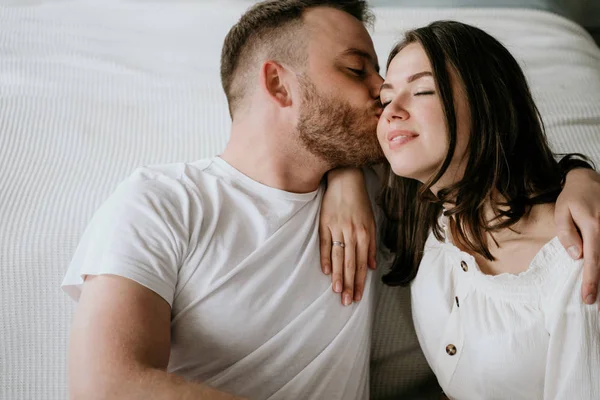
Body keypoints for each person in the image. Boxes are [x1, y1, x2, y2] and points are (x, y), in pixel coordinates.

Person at [60, 0, 600, 399]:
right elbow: (106, 385)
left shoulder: (396, 187)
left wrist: (580, 177)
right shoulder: (162, 201)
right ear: (279, 85)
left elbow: (488, 165)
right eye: (356, 70)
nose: (381, 96)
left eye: (387, 84)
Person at [321, 20, 599, 399]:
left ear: (489, 102)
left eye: (422, 90)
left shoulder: (575, 263)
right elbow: (321, 132)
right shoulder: (432, 215)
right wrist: (344, 177)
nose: (391, 112)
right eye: (386, 100)